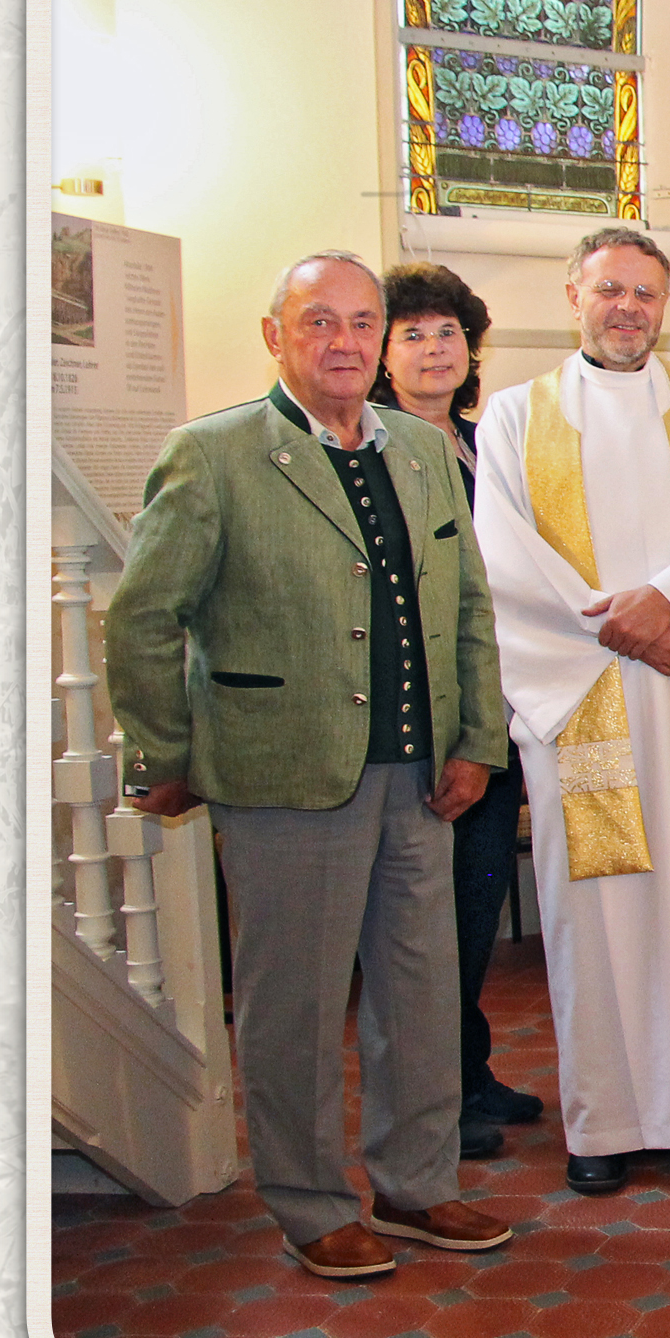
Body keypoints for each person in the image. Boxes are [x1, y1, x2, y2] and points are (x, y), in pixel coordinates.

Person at [107, 251, 513, 1281]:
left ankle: (420, 1186)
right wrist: (166, 750)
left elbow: (466, 604)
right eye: (319, 321)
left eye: (360, 322)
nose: (343, 341)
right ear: (275, 334)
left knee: (419, 997)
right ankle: (310, 1203)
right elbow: (147, 616)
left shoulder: (423, 451)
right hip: (282, 776)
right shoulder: (215, 454)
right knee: (293, 1005)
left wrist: (475, 739)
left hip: (417, 774)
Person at [475, 228, 670, 1197]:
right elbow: (507, 563)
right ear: (574, 293)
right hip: (588, 705)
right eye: (610, 289)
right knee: (598, 917)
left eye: (645, 294)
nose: (627, 309)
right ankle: (604, 1120)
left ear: (664, 306)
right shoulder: (517, 421)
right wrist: (632, 627)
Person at [370, 260, 532, 1160]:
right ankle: (433, 1098)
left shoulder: (487, 442)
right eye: (414, 335)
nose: (435, 350)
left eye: (448, 334)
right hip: (418, 720)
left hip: (497, 711)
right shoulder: (370, 447)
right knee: (420, 927)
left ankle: (468, 1072)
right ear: (384, 355)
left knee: (473, 907)